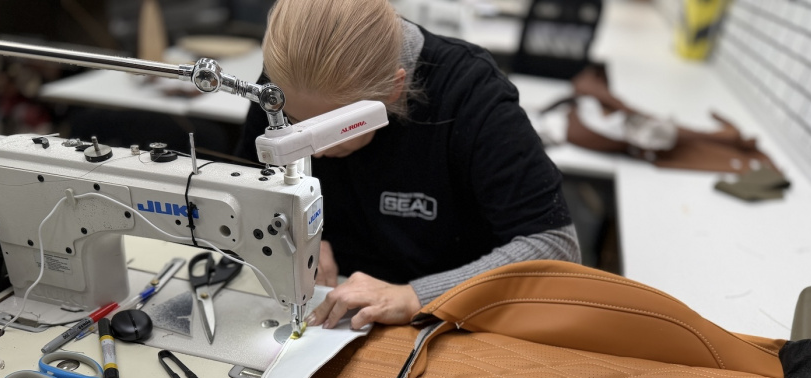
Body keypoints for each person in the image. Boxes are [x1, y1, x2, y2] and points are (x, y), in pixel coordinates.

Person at [236, 0, 580, 330]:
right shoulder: (284, 82)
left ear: (393, 89)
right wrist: (295, 236)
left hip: (450, 319)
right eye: (294, 123)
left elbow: (556, 250)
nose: (314, 153)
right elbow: (247, 190)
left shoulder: (471, 93)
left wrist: (418, 297)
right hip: (333, 304)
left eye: (329, 132)